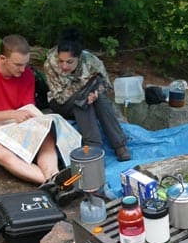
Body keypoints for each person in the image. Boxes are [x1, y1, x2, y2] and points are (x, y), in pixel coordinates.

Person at [0, 35, 60, 185]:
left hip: (14, 124)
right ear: (3, 59)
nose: (23, 69)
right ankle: (52, 183)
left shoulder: (27, 74)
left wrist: (39, 120)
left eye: (25, 64)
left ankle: (54, 175)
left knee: (47, 135)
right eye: (18, 65)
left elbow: (27, 107)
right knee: (0, 153)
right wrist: (12, 114)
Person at [44, 28, 132, 161]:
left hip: (88, 99)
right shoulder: (50, 64)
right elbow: (60, 96)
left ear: (79, 58)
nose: (64, 66)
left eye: (69, 62)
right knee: (83, 100)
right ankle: (94, 147)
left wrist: (95, 92)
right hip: (61, 103)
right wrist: (86, 89)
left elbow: (106, 85)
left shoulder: (92, 61)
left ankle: (120, 145)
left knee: (99, 99)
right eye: (61, 61)